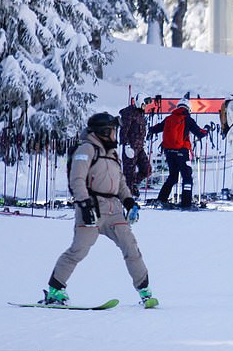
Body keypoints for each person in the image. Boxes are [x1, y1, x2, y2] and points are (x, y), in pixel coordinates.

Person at [44, 112, 157, 307]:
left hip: (114, 209)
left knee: (130, 246)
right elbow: (77, 179)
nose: (116, 134)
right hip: (92, 207)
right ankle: (55, 289)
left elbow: (120, 181)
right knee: (79, 250)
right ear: (104, 131)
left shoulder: (112, 153)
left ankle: (144, 291)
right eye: (113, 130)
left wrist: (129, 201)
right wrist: (85, 204)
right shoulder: (87, 149)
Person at [147, 98, 208, 209]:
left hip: (169, 152)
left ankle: (161, 198)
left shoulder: (169, 118)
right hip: (182, 152)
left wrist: (150, 129)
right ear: (188, 108)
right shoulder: (187, 119)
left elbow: (157, 128)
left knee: (173, 177)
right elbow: (199, 133)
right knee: (187, 177)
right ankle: (186, 203)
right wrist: (207, 130)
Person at [119, 97, 151, 197]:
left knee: (147, 169)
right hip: (130, 148)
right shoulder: (129, 113)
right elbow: (124, 131)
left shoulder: (141, 115)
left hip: (140, 148)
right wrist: (126, 145)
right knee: (129, 173)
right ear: (139, 102)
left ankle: (132, 185)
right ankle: (127, 195)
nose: (145, 107)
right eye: (144, 104)